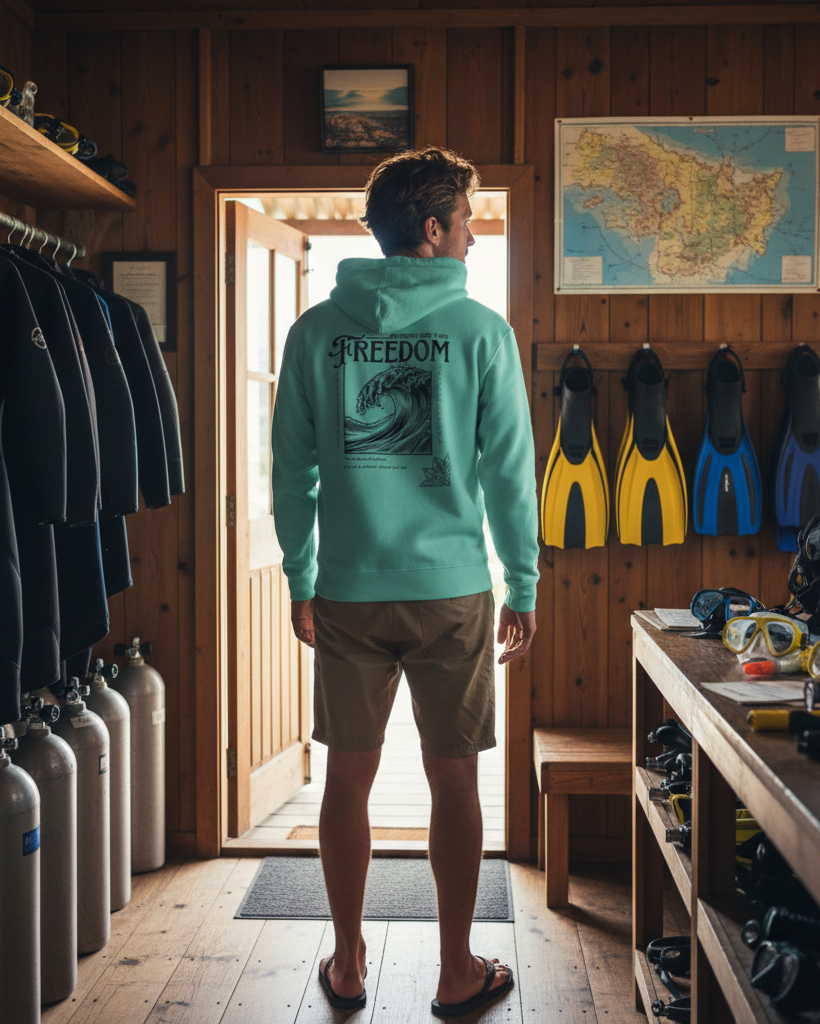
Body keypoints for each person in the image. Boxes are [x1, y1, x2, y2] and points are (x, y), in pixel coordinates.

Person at [271, 146, 539, 1018]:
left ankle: (347, 966)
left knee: (345, 777)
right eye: (464, 221)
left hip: (347, 589)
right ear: (431, 229)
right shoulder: (481, 334)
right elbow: (508, 475)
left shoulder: (315, 331)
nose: (470, 236)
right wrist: (523, 584)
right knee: (453, 780)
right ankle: (457, 972)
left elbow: (292, 474)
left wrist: (302, 578)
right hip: (452, 590)